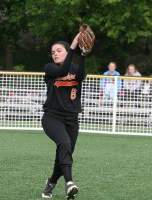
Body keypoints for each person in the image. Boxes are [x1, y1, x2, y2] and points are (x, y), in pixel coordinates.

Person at [41, 33, 86, 199]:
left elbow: (81, 75)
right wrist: (73, 46)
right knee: (65, 143)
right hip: (52, 117)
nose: (55, 54)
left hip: (72, 119)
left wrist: (83, 54)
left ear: (67, 53)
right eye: (53, 52)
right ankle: (70, 183)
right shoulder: (50, 69)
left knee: (65, 152)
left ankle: (50, 184)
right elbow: (63, 70)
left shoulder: (75, 69)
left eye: (59, 50)